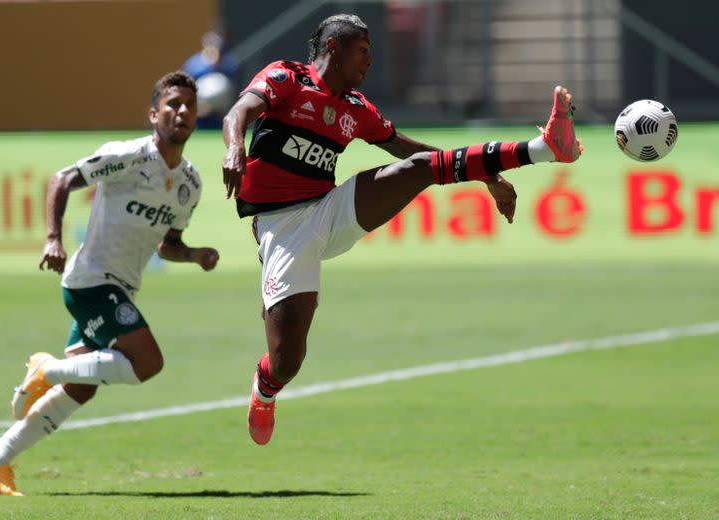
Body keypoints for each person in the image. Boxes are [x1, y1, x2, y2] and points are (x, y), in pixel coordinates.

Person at [221, 14, 582, 446]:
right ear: (333, 47)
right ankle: (264, 392)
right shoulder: (286, 79)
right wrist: (233, 148)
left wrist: (488, 176)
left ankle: (542, 148)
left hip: (329, 209)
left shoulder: (355, 108)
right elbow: (239, 111)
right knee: (287, 361)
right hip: (283, 227)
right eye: (363, 51)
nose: (370, 62)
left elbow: (411, 151)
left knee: (416, 169)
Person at [0, 71, 219, 496]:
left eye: (189, 106)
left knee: (81, 389)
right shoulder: (128, 156)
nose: (181, 111)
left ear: (197, 116)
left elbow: (167, 245)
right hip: (91, 282)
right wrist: (53, 237)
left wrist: (193, 255)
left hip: (120, 288)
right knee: (148, 363)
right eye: (172, 104)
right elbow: (62, 179)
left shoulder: (190, 185)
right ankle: (44, 369)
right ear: (153, 113)